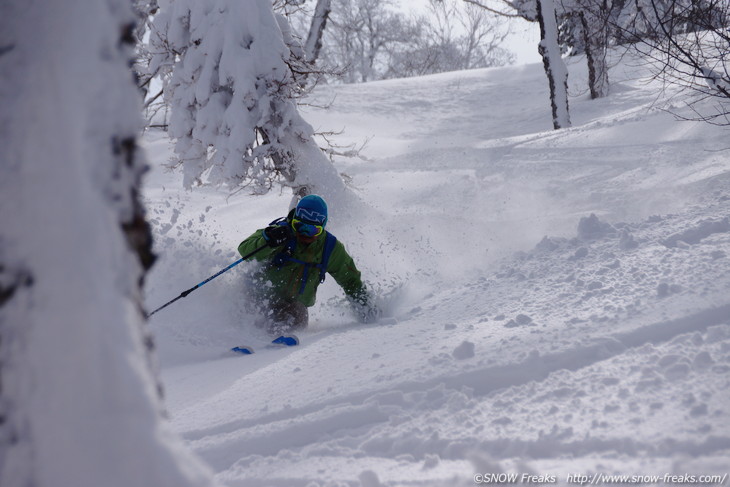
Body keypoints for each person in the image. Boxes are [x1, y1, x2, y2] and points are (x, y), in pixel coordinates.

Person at [237, 194, 380, 335]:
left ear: (322, 227)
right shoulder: (279, 233)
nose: (305, 233)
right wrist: (267, 240)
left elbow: (350, 280)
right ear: (293, 221)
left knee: (296, 315)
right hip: (257, 299)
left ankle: (275, 343)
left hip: (292, 307)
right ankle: (237, 339)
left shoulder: (329, 248)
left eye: (313, 230)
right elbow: (244, 250)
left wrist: (366, 310)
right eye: (299, 226)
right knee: (245, 308)